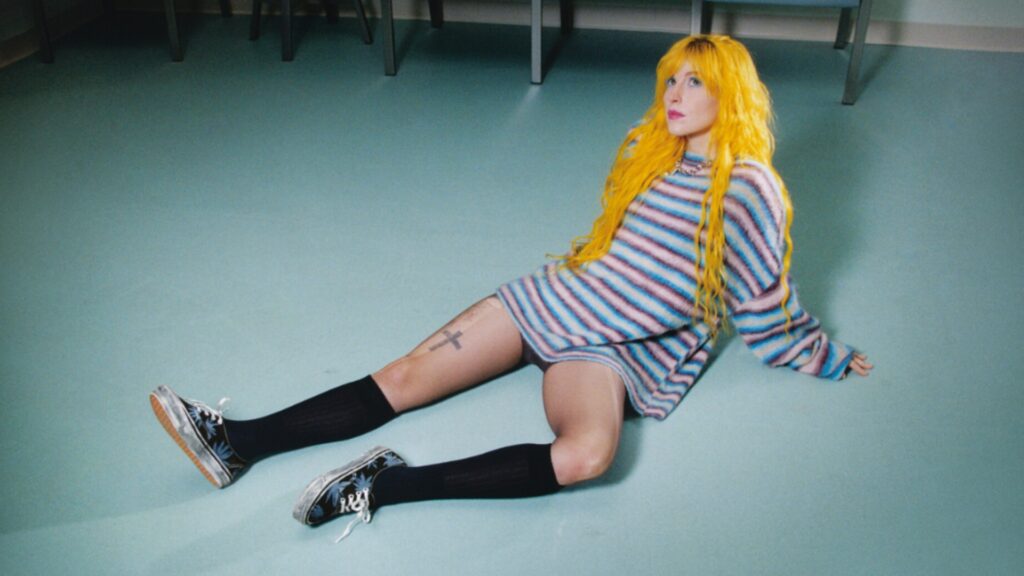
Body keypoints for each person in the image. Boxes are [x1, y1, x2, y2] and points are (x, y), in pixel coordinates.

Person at [149, 34, 873, 542]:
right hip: (555, 301)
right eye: (671, 80)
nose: (675, 95)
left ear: (731, 95)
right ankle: (238, 442)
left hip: (615, 350)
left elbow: (764, 295)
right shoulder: (654, 155)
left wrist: (821, 354)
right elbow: (618, 251)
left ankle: (383, 484)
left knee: (587, 455)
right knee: (405, 376)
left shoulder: (749, 188)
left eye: (696, 83)